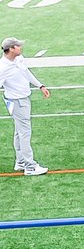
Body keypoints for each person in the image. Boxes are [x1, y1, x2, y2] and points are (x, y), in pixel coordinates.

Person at [1, 38, 51, 176]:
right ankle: (30, 166)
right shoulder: (3, 68)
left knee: (19, 131)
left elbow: (26, 72)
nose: (20, 48)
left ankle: (21, 161)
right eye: (18, 46)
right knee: (24, 133)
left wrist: (40, 85)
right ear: (11, 49)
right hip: (16, 101)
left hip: (22, 99)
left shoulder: (18, 59)